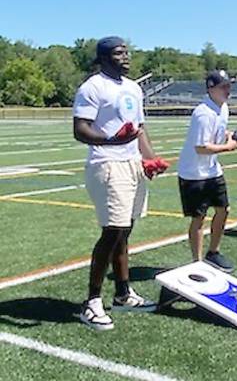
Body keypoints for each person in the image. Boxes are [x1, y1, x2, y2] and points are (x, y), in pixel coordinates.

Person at [73, 36, 168, 331]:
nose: (125, 57)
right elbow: (80, 130)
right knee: (112, 231)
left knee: (125, 231)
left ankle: (123, 294)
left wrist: (150, 159)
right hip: (107, 164)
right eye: (118, 53)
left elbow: (139, 129)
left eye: (127, 52)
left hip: (131, 165)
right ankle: (92, 302)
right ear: (102, 58)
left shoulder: (133, 88)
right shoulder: (92, 87)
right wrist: (111, 140)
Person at [177, 70, 237, 273]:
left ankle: (213, 252)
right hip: (194, 173)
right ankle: (197, 262)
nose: (228, 90)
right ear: (211, 88)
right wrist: (228, 147)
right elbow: (201, 147)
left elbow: (217, 136)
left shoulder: (222, 109)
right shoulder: (203, 113)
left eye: (229, 86)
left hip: (212, 170)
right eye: (223, 86)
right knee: (199, 217)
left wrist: (228, 136)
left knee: (224, 209)